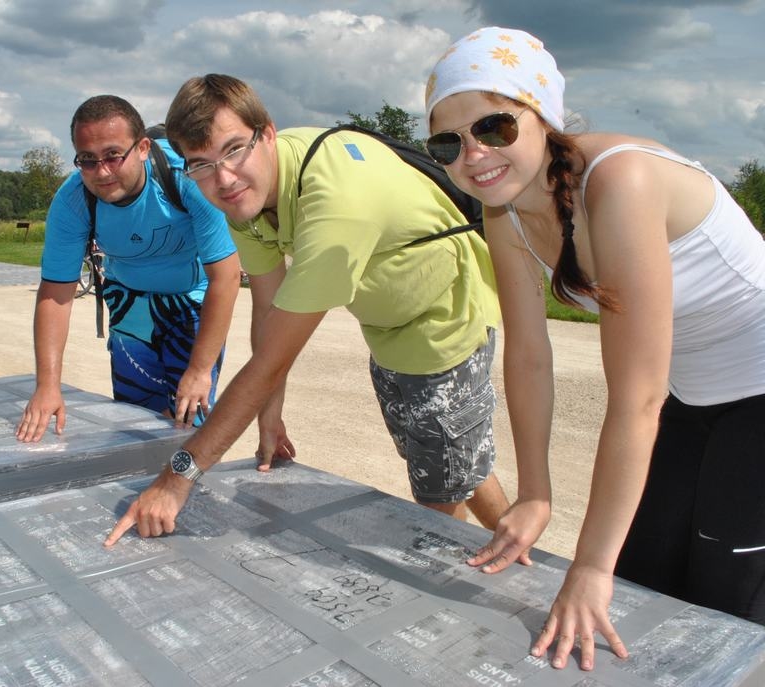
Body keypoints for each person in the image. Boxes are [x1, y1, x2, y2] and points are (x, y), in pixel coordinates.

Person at [424, 26, 765, 671]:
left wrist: (588, 564)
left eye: (494, 127)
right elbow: (528, 356)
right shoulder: (504, 213)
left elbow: (635, 400)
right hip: (693, 394)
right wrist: (535, 493)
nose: (473, 154)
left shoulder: (619, 181)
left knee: (725, 595)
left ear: (544, 118)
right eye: (448, 141)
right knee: (645, 571)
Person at [105, 75, 508, 545]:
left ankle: (454, 607)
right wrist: (269, 415)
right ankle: (529, 562)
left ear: (268, 133)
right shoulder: (244, 198)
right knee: (454, 460)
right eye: (201, 165)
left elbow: (272, 360)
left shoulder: (335, 203)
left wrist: (176, 480)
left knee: (435, 508)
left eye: (235, 149)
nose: (224, 179)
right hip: (388, 325)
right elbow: (268, 310)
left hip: (444, 319)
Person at [16, 95, 240, 438]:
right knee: (137, 423)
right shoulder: (73, 200)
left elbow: (224, 277)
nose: (101, 172)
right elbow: (55, 295)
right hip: (129, 304)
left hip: (192, 302)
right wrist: (47, 387)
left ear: (143, 148)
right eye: (87, 160)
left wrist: (200, 368)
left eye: (113, 156)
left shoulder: (189, 179)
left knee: (188, 423)